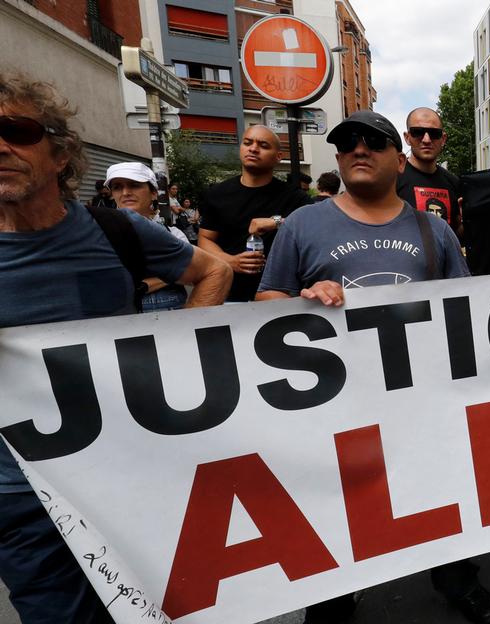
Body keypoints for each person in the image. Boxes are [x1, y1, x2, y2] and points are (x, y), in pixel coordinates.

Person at [0, 71, 231, 624]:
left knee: (160, 608)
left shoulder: (114, 232)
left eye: (18, 130)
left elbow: (215, 271)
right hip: (20, 498)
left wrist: (171, 353)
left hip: (127, 475)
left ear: (60, 154)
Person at [256, 110, 490, 624]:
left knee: (441, 490)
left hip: (420, 399)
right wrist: (301, 302)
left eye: (374, 142)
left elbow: (466, 305)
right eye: (347, 144)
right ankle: (333, 597)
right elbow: (266, 304)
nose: (358, 150)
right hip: (335, 405)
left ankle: (458, 578)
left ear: (398, 157)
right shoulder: (303, 223)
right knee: (335, 504)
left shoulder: (433, 230)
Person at [198, 124, 312, 302]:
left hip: (279, 296)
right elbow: (205, 239)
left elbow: (314, 228)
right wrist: (230, 261)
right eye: (247, 143)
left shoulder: (294, 197)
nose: (253, 149)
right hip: (228, 294)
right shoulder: (217, 193)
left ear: (278, 157)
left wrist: (276, 222)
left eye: (263, 145)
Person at [106, 162, 192, 312]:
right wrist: (169, 274)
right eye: (117, 187)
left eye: (134, 185)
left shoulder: (174, 234)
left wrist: (142, 286)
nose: (125, 192)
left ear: (154, 193)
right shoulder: (99, 235)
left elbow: (195, 272)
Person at [396, 107, 463, 237]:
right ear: (407, 137)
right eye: (418, 132)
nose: (426, 140)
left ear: (443, 139)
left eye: (434, 133)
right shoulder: (392, 180)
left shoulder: (454, 183)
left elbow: (456, 235)